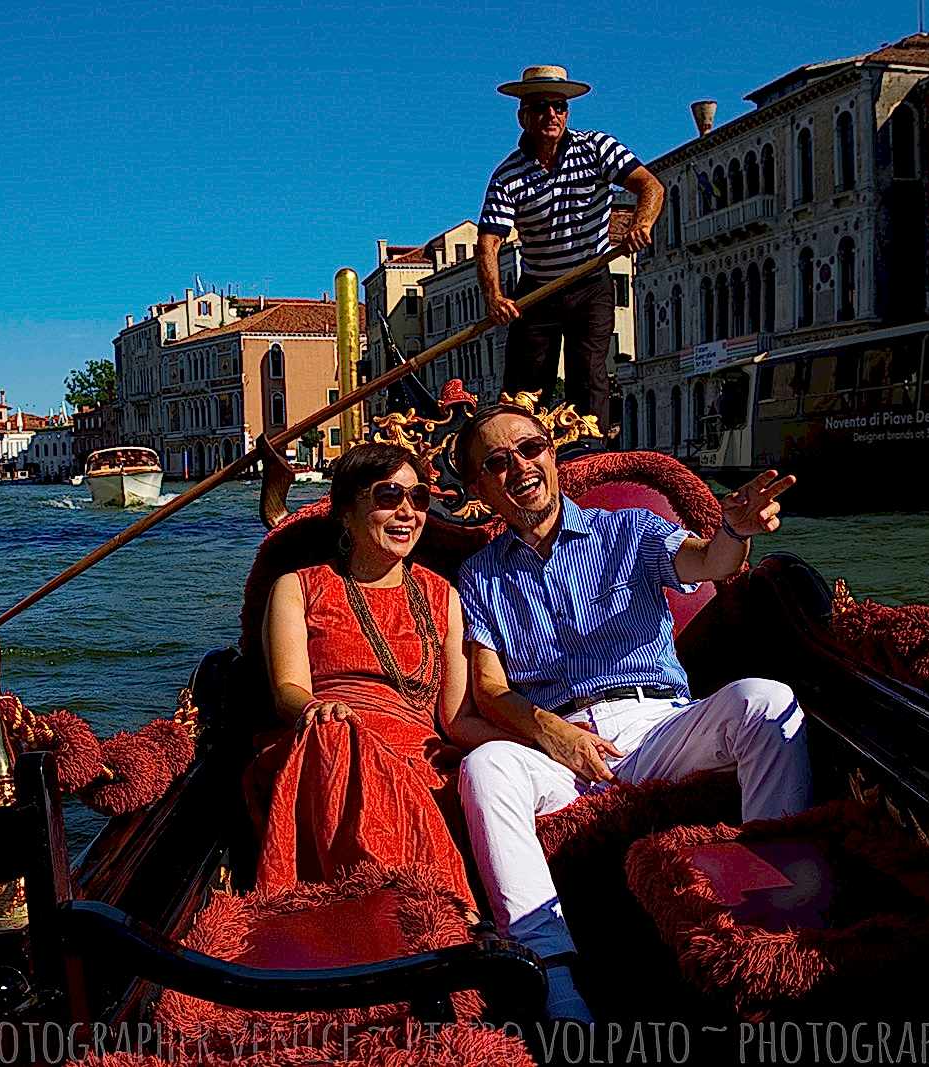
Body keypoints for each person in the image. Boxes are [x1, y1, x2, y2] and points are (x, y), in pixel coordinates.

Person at [452, 405, 812, 1021]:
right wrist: (554, 735)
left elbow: (705, 562)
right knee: (485, 767)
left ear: (552, 455)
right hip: (556, 746)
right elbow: (487, 689)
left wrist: (735, 530)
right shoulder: (479, 574)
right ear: (480, 488)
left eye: (530, 448)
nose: (520, 468)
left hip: (655, 725)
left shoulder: (629, 530)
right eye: (496, 463)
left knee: (767, 701)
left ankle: (771, 933)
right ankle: (554, 984)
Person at [252, 442, 518, 905]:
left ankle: (427, 914)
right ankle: (420, 909)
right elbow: (286, 691)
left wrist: (536, 738)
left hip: (419, 758)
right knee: (337, 735)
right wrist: (318, 708)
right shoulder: (297, 586)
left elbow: (455, 719)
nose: (407, 512)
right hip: (328, 742)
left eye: (418, 499)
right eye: (388, 496)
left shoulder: (444, 596)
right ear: (346, 512)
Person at [477, 66, 664, 439]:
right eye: (541, 106)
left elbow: (651, 186)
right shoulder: (508, 175)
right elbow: (489, 242)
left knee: (590, 374)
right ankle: (520, 454)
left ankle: (589, 460)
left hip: (591, 281)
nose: (552, 115)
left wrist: (640, 225)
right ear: (523, 115)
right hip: (536, 291)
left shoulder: (597, 148)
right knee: (524, 388)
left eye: (559, 107)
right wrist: (494, 297)